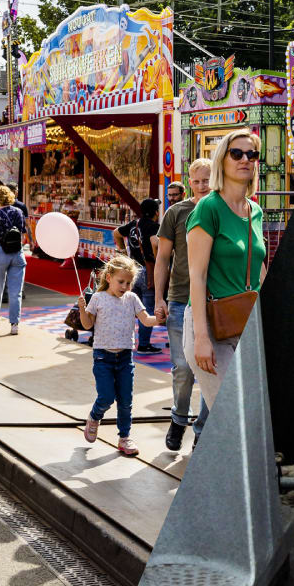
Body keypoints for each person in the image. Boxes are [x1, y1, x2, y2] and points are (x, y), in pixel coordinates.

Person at [184, 131, 266, 429]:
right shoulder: (209, 207)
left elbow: (258, 270)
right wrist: (201, 337)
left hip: (247, 324)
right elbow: (197, 274)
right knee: (234, 418)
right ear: (222, 159)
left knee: (253, 415)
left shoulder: (254, 211)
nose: (245, 160)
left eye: (252, 154)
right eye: (237, 153)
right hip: (211, 325)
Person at [154, 164, 209, 451]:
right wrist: (158, 298)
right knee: (184, 368)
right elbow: (162, 258)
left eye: (207, 180)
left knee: (212, 372)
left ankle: (203, 429)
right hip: (180, 300)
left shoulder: (224, 209)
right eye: (197, 181)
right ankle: (179, 418)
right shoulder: (176, 213)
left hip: (216, 301)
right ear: (190, 183)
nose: (202, 186)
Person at [83, 255, 152, 457]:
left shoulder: (131, 298)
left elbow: (146, 320)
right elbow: (87, 324)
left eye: (129, 283)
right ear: (109, 276)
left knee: (125, 400)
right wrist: (81, 308)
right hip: (103, 357)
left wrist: (163, 317)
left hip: (125, 358)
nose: (125, 286)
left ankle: (124, 437)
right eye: (121, 282)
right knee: (106, 396)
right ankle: (94, 417)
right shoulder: (98, 298)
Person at [118, 199, 161, 353]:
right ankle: (143, 344)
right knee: (147, 310)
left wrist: (123, 252)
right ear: (156, 212)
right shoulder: (155, 227)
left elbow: (116, 233)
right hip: (147, 271)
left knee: (129, 307)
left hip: (132, 271)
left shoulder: (133, 224)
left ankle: (124, 340)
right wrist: (158, 260)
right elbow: (154, 243)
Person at [0, 185, 27, 331]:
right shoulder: (19, 212)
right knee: (16, 291)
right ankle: (14, 324)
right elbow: (23, 235)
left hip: (1, 253)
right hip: (17, 253)